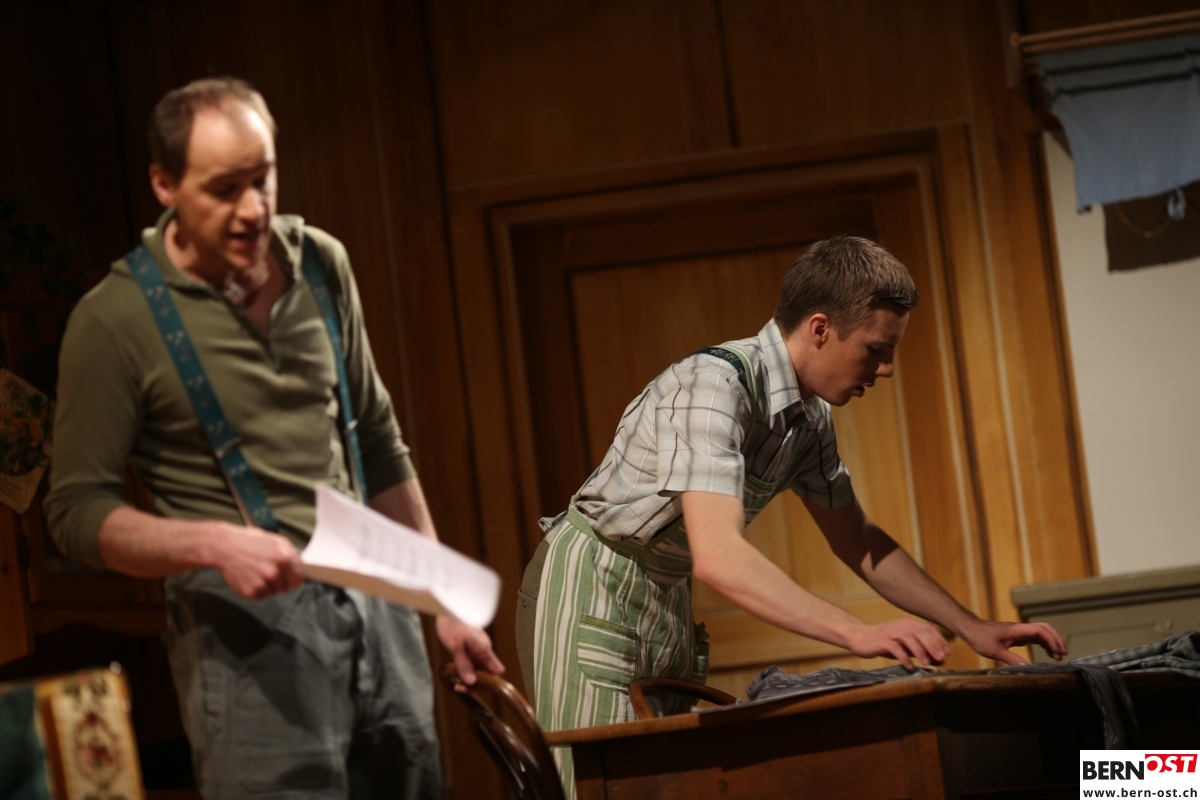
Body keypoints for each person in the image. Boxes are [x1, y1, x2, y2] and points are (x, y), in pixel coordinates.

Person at [44, 77, 503, 799]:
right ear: (165, 184)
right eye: (224, 189)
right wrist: (214, 544)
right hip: (246, 641)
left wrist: (441, 596)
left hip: (379, 613)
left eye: (262, 178)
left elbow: (377, 440)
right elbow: (75, 513)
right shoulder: (113, 321)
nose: (253, 208)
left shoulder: (321, 263)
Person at [515, 236, 1067, 796]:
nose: (886, 369)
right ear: (820, 328)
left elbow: (858, 539)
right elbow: (719, 556)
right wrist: (856, 632)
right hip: (594, 586)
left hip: (666, 598)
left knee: (660, 787)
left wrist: (971, 626)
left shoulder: (810, 420)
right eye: (876, 349)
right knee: (595, 787)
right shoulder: (712, 385)